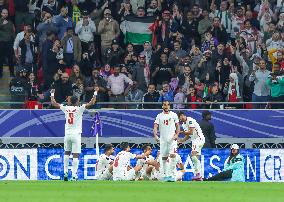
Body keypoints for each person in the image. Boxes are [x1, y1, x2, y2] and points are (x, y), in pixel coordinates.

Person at [50, 88, 97, 181]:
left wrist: (52, 94)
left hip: (67, 134)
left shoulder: (66, 108)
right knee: (76, 155)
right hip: (76, 135)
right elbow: (92, 103)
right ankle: (74, 175)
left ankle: (65, 173)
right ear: (77, 102)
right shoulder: (80, 108)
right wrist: (95, 92)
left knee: (67, 153)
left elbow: (54, 104)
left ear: (70, 101)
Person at [153, 100, 180, 182]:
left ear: (169, 106)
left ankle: (171, 174)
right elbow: (155, 127)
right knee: (164, 158)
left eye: (168, 105)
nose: (166, 106)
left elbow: (178, 126)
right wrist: (155, 135)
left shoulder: (174, 115)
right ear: (162, 106)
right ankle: (165, 175)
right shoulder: (159, 116)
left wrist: (176, 135)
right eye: (164, 105)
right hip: (163, 140)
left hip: (172, 140)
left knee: (173, 155)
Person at [177, 111, 205, 181]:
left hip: (198, 139)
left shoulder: (190, 120)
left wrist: (180, 132)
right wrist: (180, 141)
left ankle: (198, 174)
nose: (180, 119)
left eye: (179, 117)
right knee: (196, 157)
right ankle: (198, 175)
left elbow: (191, 131)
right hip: (194, 140)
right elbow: (188, 136)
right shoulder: (183, 124)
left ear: (182, 115)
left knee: (193, 155)